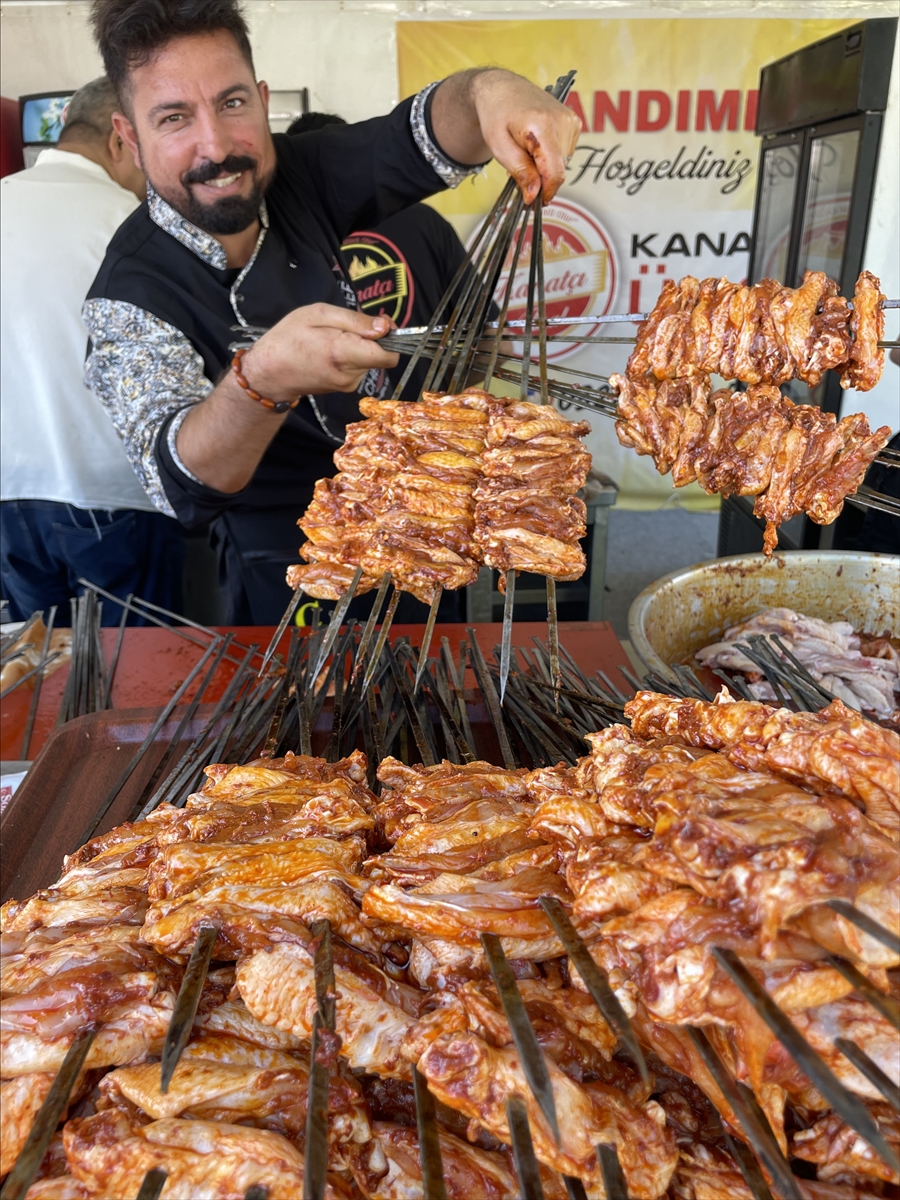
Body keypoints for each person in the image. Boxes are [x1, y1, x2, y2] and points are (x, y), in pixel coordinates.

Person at [83, 0, 581, 624]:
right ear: (128, 137)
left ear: (263, 101)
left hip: (415, 522)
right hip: (283, 564)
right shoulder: (130, 290)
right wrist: (262, 379)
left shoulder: (300, 172)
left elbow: (426, 133)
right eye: (174, 118)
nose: (215, 146)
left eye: (232, 103)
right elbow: (182, 479)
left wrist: (491, 93)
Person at [0, 76, 187, 624]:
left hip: (8, 493)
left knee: (41, 675)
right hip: (113, 494)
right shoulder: (132, 224)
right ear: (119, 139)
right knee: (136, 681)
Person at [290, 111, 479, 405]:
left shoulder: (279, 247)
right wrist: (437, 402)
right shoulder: (426, 222)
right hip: (428, 439)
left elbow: (490, 338)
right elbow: (494, 343)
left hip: (363, 443)